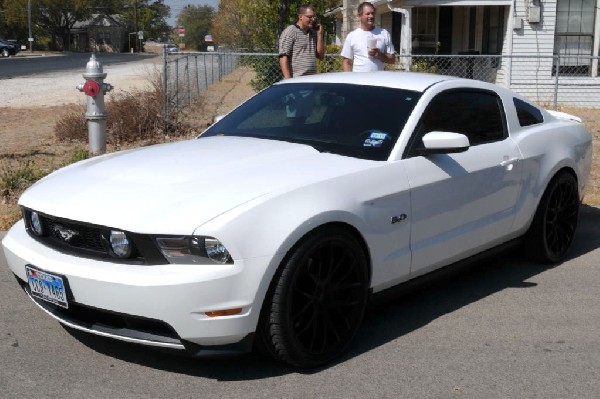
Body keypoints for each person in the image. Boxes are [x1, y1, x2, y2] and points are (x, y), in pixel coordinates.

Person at [341, 2, 395, 72]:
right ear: (359, 16)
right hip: (359, 81)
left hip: (378, 81)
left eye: (372, 13)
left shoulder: (384, 33)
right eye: (368, 14)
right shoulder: (352, 36)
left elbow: (392, 60)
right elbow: (347, 61)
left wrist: (379, 55)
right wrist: (349, 80)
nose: (371, 16)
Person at [279, 4, 325, 79]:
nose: (313, 19)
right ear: (300, 17)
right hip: (296, 80)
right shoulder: (291, 31)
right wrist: (288, 79)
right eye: (310, 17)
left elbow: (321, 56)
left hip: (312, 78)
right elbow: (283, 56)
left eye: (314, 17)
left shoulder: (314, 32)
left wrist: (320, 35)